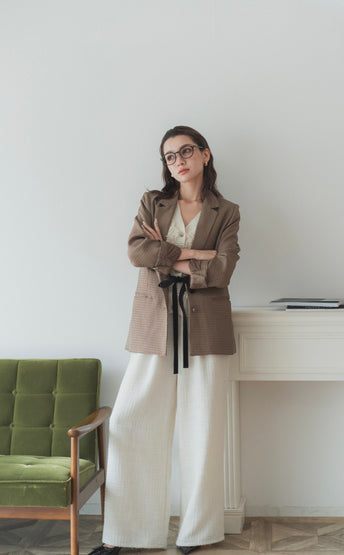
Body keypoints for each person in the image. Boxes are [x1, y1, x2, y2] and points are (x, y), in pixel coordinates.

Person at [89, 125, 240, 555]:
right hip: (155, 323)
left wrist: (169, 256)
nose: (178, 161)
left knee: (201, 429)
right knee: (129, 422)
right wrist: (195, 254)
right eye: (170, 156)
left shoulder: (226, 211)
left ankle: (197, 532)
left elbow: (225, 269)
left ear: (205, 155)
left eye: (186, 152)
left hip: (206, 327)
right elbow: (138, 252)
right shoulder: (152, 203)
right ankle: (126, 535)